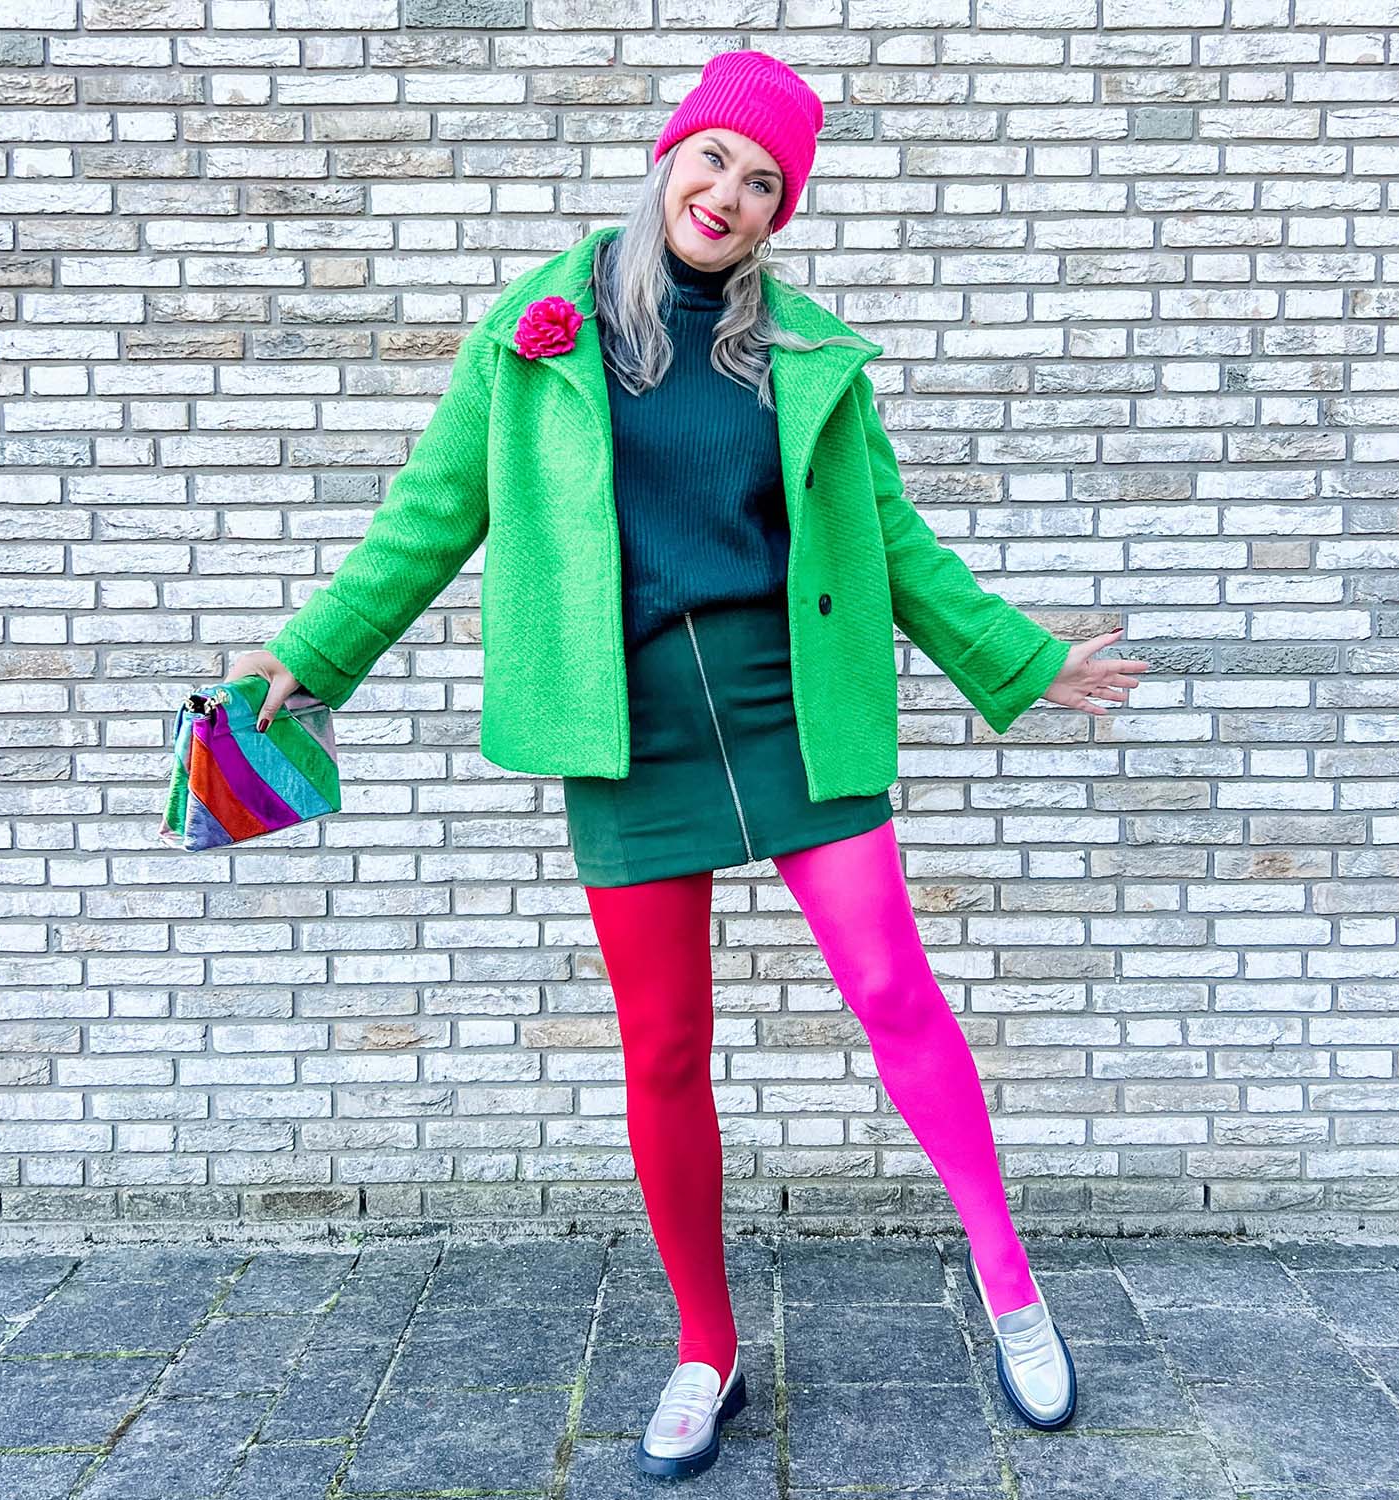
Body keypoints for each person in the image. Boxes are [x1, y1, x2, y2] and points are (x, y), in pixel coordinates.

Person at [230, 49, 1148, 1482]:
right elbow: (430, 513)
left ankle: (1012, 1287)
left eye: (766, 181)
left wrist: (1028, 662)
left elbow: (896, 543)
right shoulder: (537, 332)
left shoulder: (803, 353)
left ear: (784, 210)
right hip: (630, 733)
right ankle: (705, 1348)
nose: (730, 194)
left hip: (796, 711)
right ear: (670, 159)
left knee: (894, 990)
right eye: (715, 158)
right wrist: (312, 654)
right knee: (663, 1046)